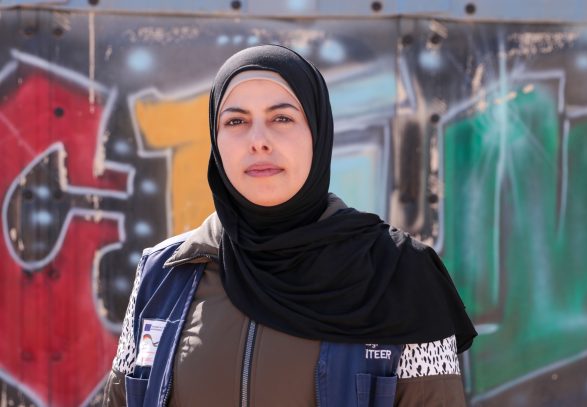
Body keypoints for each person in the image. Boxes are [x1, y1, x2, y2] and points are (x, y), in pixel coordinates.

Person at [103, 44, 477, 406]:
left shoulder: (399, 273)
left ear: (317, 132)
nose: (258, 141)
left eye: (281, 118)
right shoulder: (164, 273)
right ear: (216, 141)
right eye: (236, 121)